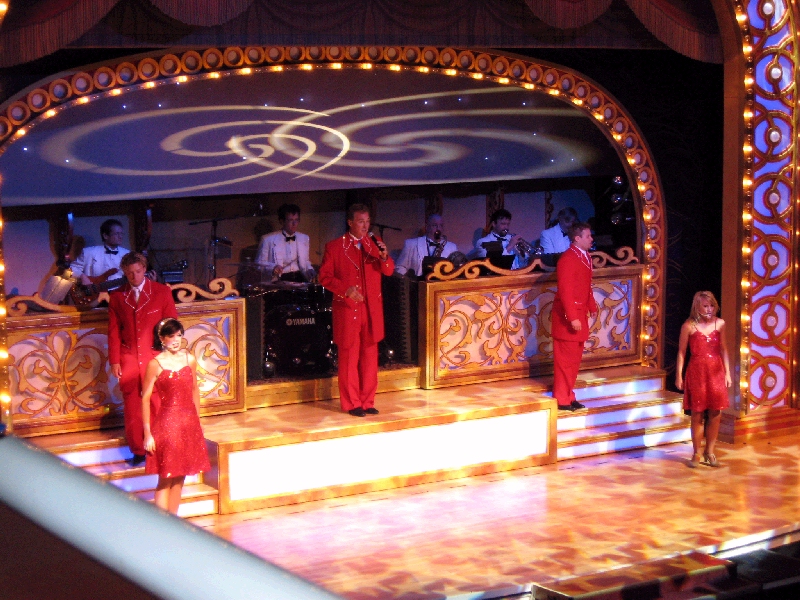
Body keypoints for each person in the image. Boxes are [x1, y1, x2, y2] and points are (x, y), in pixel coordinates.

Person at [319, 204, 395, 417]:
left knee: (370, 358)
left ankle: (367, 401)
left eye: (367, 221)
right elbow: (324, 277)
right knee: (349, 358)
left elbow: (389, 271)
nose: (365, 226)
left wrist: (384, 256)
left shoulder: (375, 243)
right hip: (348, 309)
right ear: (350, 222)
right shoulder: (335, 247)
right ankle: (353, 403)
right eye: (361, 221)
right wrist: (345, 290)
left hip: (371, 310)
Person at [108, 252, 178, 465]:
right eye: (129, 273)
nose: (134, 276)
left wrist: (171, 355)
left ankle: (162, 446)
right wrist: (115, 360)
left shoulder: (161, 292)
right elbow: (114, 331)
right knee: (133, 406)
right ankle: (138, 450)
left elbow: (171, 325)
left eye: (138, 272)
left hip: (155, 356)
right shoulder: (117, 296)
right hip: (129, 358)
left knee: (158, 402)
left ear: (144, 270)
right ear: (124, 273)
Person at [142, 318, 210, 514]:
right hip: (167, 426)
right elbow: (145, 398)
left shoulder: (190, 360)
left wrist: (197, 420)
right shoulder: (155, 364)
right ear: (162, 338)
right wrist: (147, 433)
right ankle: (162, 524)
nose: (176, 340)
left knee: (180, 477)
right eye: (171, 336)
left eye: (179, 335)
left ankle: (173, 521)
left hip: (188, 424)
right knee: (166, 477)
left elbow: (195, 390)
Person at [675, 291, 732, 468]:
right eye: (705, 306)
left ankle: (710, 451)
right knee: (697, 413)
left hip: (716, 371)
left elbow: (724, 349)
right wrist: (678, 375)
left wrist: (728, 373)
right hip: (697, 372)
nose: (709, 309)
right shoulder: (688, 326)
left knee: (715, 412)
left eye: (712, 306)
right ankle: (696, 453)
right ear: (697, 307)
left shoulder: (720, 324)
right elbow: (682, 352)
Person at [551, 222, 598, 411]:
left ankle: (569, 395)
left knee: (574, 361)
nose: (591, 239)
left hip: (580, 314)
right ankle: (561, 398)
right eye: (588, 236)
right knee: (565, 361)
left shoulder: (585, 256)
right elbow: (565, 291)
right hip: (568, 318)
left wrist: (591, 305)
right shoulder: (568, 259)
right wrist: (572, 317)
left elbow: (586, 286)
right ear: (577, 238)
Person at [255, 203, 315, 283]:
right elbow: (259, 264)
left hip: (300, 278)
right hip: (279, 280)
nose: (294, 224)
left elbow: (306, 261)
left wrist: (310, 269)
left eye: (296, 220)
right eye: (290, 220)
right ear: (282, 221)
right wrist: (273, 268)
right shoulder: (267, 239)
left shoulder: (304, 238)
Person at [70, 218, 130, 288]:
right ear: (105, 236)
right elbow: (73, 268)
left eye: (121, 233)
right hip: (95, 291)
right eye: (117, 234)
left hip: (120, 292)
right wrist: (82, 276)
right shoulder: (88, 252)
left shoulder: (127, 254)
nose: (120, 237)